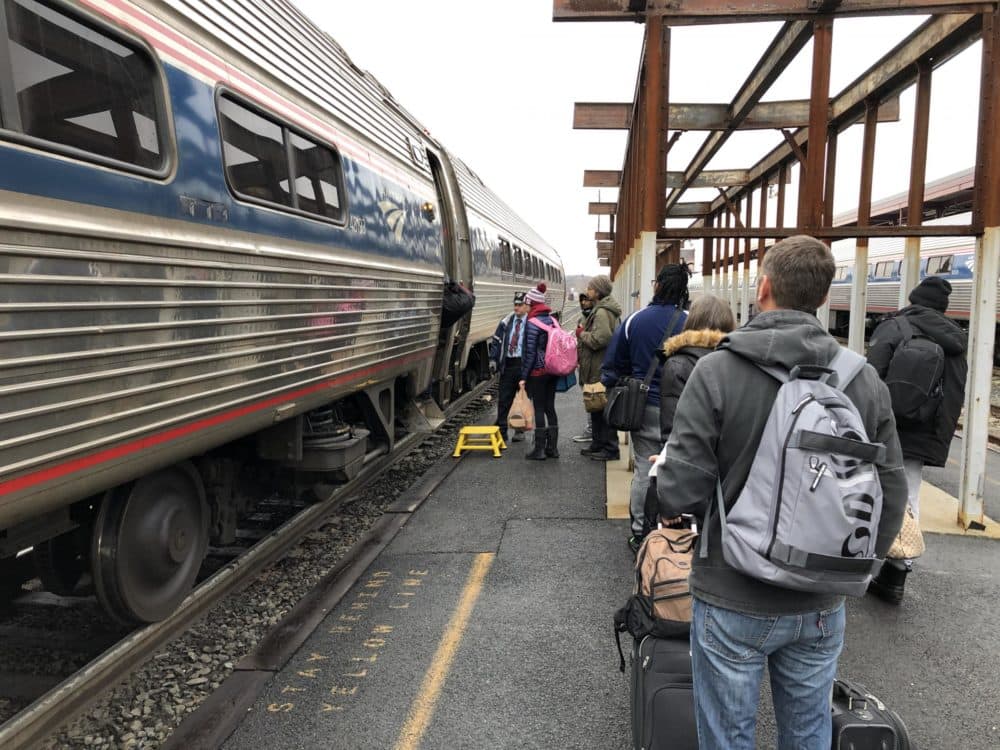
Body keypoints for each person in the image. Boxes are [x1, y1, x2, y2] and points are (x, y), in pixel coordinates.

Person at [655, 235, 908, 750]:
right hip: (820, 600)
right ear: (821, 295)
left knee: (728, 738)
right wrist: (857, 564)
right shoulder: (862, 381)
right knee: (808, 733)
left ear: (764, 287)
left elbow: (680, 491)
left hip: (731, 592)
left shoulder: (717, 371)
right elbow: (892, 491)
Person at [865, 275, 968, 603]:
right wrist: (936, 440)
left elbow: (871, 377)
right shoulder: (955, 341)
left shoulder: (895, 327)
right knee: (908, 493)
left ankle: (861, 562)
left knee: (866, 487)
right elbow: (953, 395)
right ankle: (898, 571)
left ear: (913, 299)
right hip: (922, 432)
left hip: (887, 425)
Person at [601, 264, 689, 552]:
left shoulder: (634, 321)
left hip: (646, 407)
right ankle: (680, 530)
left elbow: (612, 368)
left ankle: (640, 533)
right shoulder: (691, 321)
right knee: (682, 467)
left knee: (643, 469)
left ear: (658, 286)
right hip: (685, 409)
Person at [576, 275, 622, 460]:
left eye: (590, 288)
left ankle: (609, 448)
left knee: (601, 408)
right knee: (596, 407)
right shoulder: (604, 309)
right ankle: (598, 444)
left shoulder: (602, 312)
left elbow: (601, 339)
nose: (588, 291)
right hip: (599, 365)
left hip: (599, 366)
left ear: (598, 291)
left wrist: (582, 334)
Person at [520, 282, 559, 460]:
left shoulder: (532, 323)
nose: (526, 307)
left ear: (533, 304)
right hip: (552, 370)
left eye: (527, 304)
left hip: (538, 372)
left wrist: (523, 377)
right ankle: (552, 448)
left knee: (539, 408)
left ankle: (539, 450)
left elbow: (529, 353)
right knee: (550, 407)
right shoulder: (552, 320)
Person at [488, 292, 530, 444]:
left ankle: (519, 430)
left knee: (521, 400)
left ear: (527, 306)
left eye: (520, 305)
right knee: (504, 399)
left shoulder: (531, 323)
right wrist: (493, 359)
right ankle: (502, 431)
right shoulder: (506, 321)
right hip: (509, 364)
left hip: (523, 365)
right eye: (515, 304)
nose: (516, 308)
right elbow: (497, 340)